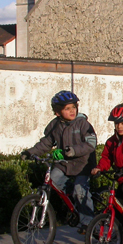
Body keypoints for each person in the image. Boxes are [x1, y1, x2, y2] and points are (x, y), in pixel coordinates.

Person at [21, 90, 97, 234]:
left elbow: (91, 144)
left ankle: (88, 223)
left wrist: (73, 150)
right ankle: (73, 205)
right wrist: (30, 152)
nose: (72, 111)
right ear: (57, 112)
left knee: (80, 191)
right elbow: (46, 143)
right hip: (64, 164)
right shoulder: (55, 126)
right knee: (53, 182)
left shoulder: (83, 124)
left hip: (83, 164)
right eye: (67, 108)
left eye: (73, 107)